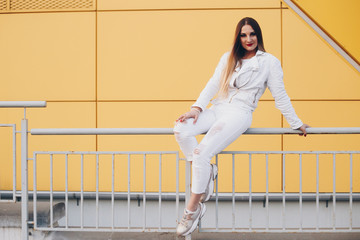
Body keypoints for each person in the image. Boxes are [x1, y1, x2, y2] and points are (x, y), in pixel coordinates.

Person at [173, 17, 310, 236]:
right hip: (219, 108)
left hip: (239, 113)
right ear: (238, 37)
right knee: (181, 128)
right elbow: (213, 83)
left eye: (253, 34)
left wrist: (296, 123)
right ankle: (206, 172)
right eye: (244, 35)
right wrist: (196, 109)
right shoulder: (228, 58)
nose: (249, 39)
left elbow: (280, 95)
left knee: (200, 153)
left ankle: (192, 209)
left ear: (259, 35)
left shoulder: (269, 62)